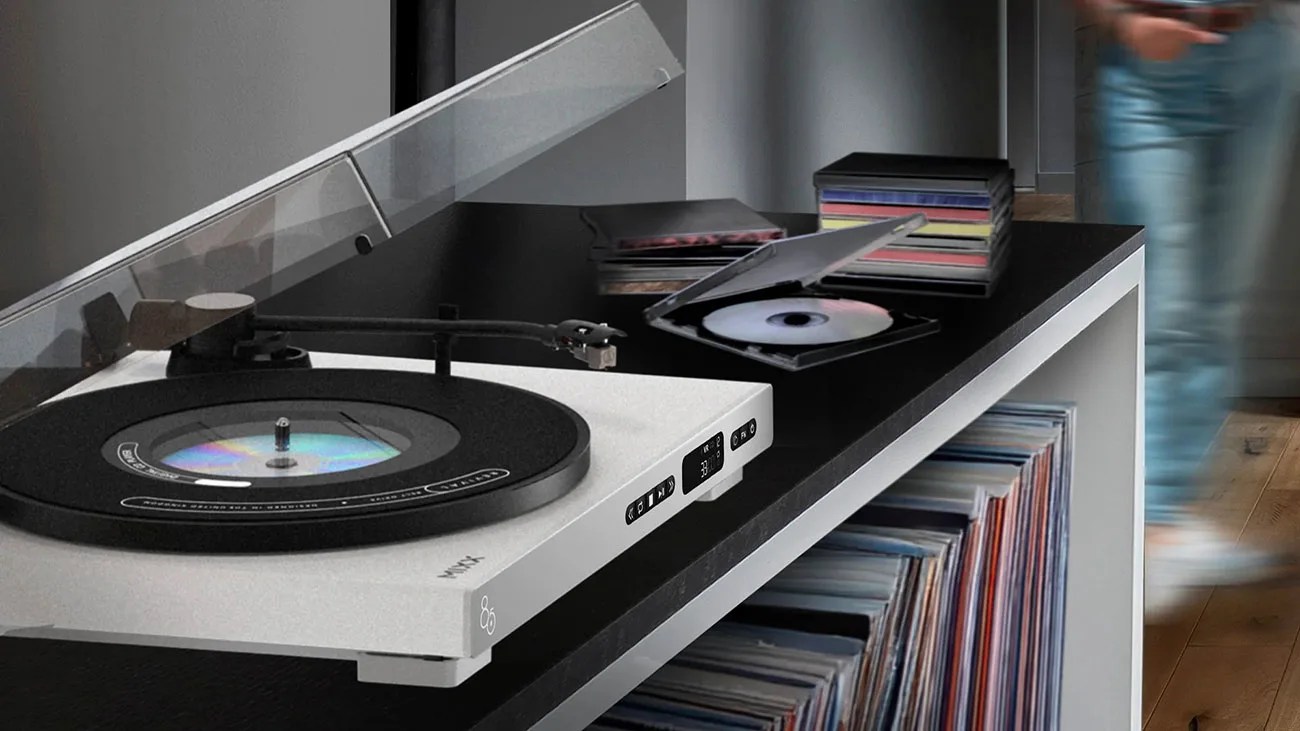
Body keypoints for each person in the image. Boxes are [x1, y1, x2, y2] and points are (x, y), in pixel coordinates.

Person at [1081, 0, 1300, 618]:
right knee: (1163, 305)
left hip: (1261, 55)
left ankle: (1165, 523)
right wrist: (1123, 22)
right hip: (1153, 63)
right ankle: (1143, 524)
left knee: (1218, 304)